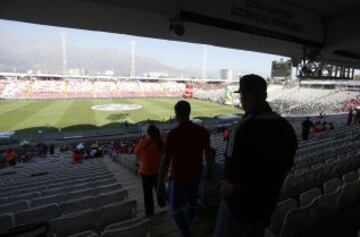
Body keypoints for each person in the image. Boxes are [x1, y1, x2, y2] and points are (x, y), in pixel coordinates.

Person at [214, 74, 297, 237]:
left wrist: (222, 190)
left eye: (242, 95)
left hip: (239, 209)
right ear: (265, 95)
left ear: (246, 95)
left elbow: (231, 183)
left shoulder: (242, 128)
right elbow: (286, 166)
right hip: (266, 206)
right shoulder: (286, 127)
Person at [158, 100, 213, 237]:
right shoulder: (202, 131)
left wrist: (159, 182)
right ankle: (187, 227)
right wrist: (210, 169)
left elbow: (165, 161)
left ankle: (185, 231)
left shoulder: (173, 134)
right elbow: (208, 151)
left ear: (176, 114)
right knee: (192, 204)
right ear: (189, 112)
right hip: (196, 175)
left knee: (175, 209)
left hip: (178, 177)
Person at [135, 124, 165, 216]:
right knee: (159, 188)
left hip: (146, 171)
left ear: (148, 133)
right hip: (158, 171)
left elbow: (136, 152)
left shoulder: (143, 141)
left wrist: (142, 140)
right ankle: (162, 204)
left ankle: (149, 211)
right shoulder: (161, 142)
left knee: (147, 192)